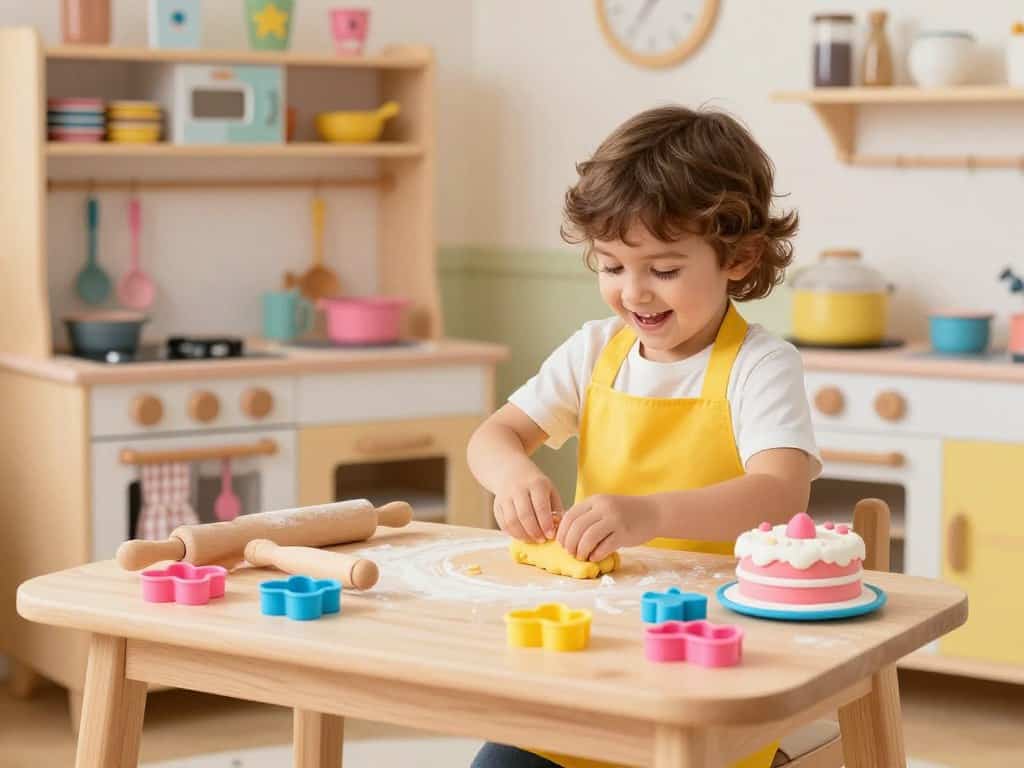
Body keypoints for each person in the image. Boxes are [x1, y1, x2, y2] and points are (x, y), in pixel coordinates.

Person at [467, 105, 820, 768]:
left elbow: (780, 493)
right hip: (595, 649)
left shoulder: (761, 365)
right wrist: (511, 473)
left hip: (717, 653)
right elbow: (494, 435)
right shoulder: (596, 350)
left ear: (739, 258)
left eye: (662, 270)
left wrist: (650, 514)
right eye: (610, 267)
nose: (635, 294)